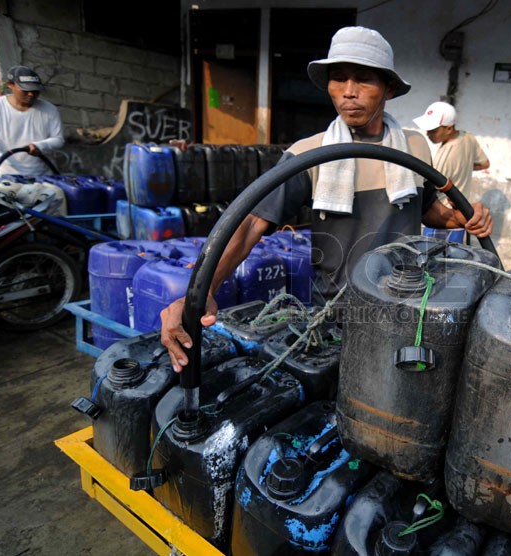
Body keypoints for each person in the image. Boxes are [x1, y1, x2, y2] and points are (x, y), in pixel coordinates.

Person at [160, 26, 492, 372]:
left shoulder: (415, 147)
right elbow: (249, 223)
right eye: (339, 79)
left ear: (389, 89)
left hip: (409, 309)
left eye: (363, 80)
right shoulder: (308, 155)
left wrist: (461, 218)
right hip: (339, 317)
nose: (349, 92)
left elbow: (425, 209)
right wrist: (201, 290)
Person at [0, 65, 64, 178]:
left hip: (43, 177)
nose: (31, 94)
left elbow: (58, 139)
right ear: (10, 85)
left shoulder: (49, 109)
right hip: (7, 177)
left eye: (35, 91)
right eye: (25, 90)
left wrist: (40, 145)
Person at [413, 101, 490, 199]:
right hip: (462, 206)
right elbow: (484, 164)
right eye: (428, 131)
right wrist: (463, 168)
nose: (428, 134)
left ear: (449, 129)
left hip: (444, 210)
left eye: (433, 131)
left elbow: (429, 191)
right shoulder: (468, 137)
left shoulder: (443, 158)